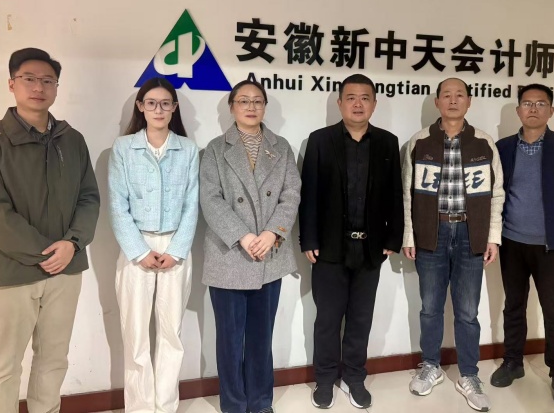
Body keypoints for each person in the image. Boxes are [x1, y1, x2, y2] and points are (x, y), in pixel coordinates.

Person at [0, 48, 100, 413]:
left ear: (56, 87)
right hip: (12, 272)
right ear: (12, 84)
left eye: (47, 80)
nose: (38, 87)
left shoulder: (72, 140)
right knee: (4, 365)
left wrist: (72, 244)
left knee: (54, 360)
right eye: (29, 79)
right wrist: (45, 252)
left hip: (66, 268)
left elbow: (89, 198)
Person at [299, 73, 404, 409]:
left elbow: (395, 193)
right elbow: (309, 193)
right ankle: (325, 378)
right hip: (329, 248)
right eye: (351, 98)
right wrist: (308, 238)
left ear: (374, 103)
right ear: (339, 102)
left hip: (371, 248)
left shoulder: (387, 142)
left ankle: (354, 377)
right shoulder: (320, 140)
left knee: (361, 318)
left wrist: (393, 237)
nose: (358, 104)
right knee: (328, 319)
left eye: (365, 98)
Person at [199, 79, 301, 413]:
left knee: (261, 337)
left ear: (265, 106)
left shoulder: (281, 147)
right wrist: (242, 235)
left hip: (269, 254)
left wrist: (273, 233)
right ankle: (233, 404)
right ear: (232, 107)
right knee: (229, 340)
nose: (251, 106)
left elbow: (291, 194)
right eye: (243, 101)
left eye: (258, 101)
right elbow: (211, 199)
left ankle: (260, 402)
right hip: (229, 253)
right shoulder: (216, 148)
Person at [403, 77, 504, 412]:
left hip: (470, 235)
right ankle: (430, 366)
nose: (453, 100)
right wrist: (409, 235)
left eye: (460, 94)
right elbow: (407, 194)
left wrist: (492, 237)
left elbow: (497, 194)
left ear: (469, 101)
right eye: (446, 95)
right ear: (437, 102)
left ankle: (469, 374)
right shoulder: (419, 141)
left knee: (467, 311)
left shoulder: (483, 142)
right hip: (431, 233)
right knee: (430, 307)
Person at [491, 83, 554, 409]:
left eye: (540, 103)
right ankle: (512, 362)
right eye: (527, 103)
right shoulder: (503, 148)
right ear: (518, 110)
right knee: (513, 305)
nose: (533, 109)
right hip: (512, 242)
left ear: (551, 110)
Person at [108, 77, 199, 413]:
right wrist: (140, 251)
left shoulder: (187, 149)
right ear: (140, 107)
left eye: (165, 103)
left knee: (171, 333)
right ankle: (140, 407)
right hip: (137, 246)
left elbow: (192, 204)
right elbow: (117, 205)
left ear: (174, 108)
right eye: (151, 103)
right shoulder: (123, 148)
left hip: (176, 246)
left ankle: (166, 405)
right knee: (135, 334)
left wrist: (176, 250)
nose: (158, 110)